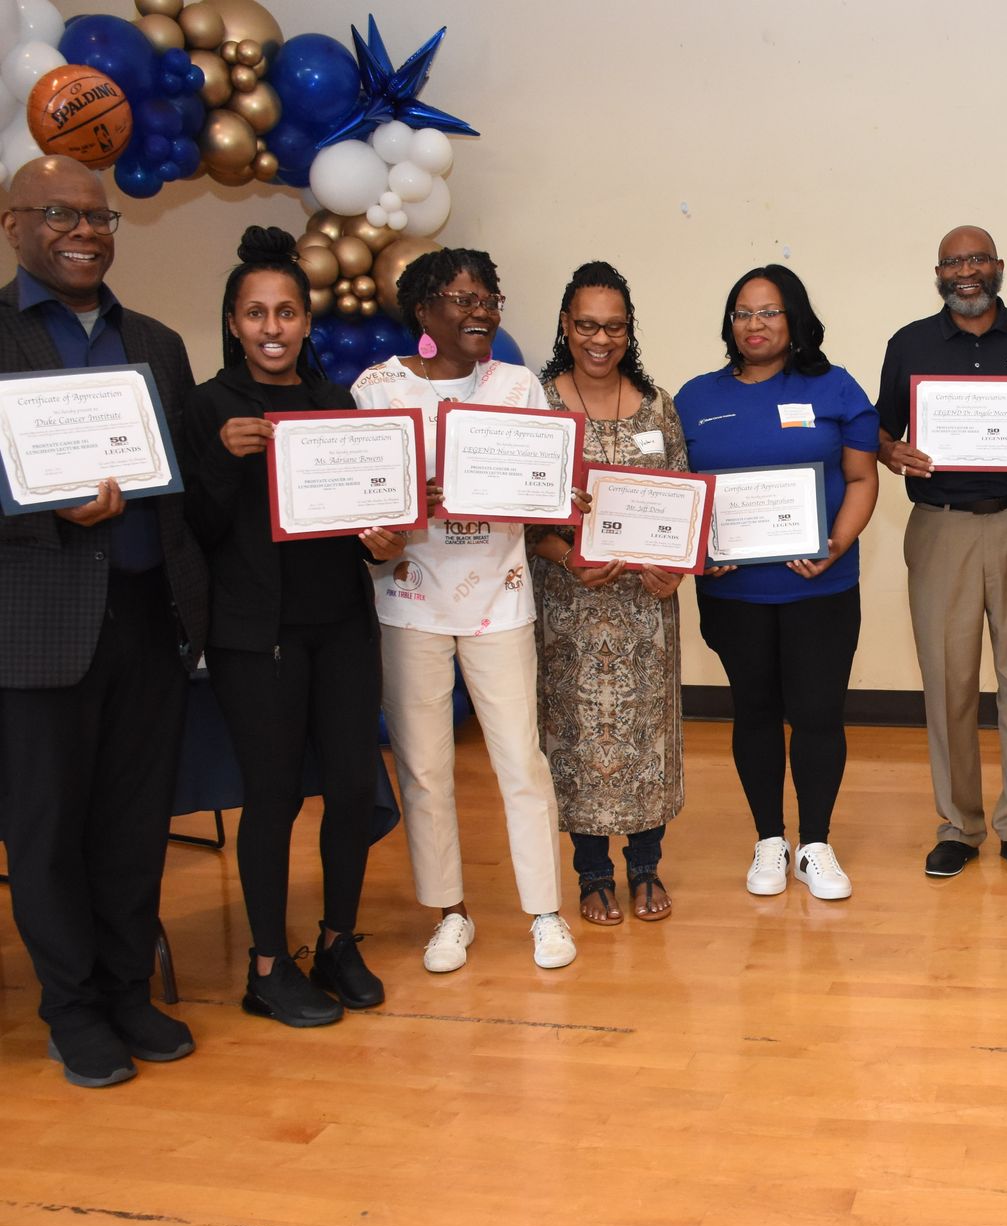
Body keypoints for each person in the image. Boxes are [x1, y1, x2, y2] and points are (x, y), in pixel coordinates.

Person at [0, 156, 208, 1087]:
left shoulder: (156, 343)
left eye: (100, 216)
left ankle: (130, 990)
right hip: (37, 626)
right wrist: (46, 507)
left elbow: (185, 490)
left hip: (147, 618)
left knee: (133, 822)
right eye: (59, 214)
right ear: (13, 226)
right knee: (47, 829)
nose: (85, 232)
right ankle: (72, 1008)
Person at [182, 226, 401, 1026]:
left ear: (307, 322)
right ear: (234, 323)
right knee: (272, 799)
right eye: (255, 314)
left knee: (349, 790)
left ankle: (338, 940)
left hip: (342, 625)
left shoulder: (333, 403)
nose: (272, 328)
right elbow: (194, 532)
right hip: (255, 639)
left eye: (286, 312)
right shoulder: (208, 407)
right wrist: (217, 460)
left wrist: (380, 541)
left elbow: (358, 521)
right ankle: (267, 968)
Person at [353, 248, 576, 972]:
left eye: (489, 297)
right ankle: (449, 912)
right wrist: (389, 521)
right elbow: (364, 501)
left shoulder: (517, 387)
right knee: (423, 767)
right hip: (409, 598)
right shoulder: (378, 391)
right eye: (461, 298)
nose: (481, 310)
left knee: (521, 759)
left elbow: (544, 489)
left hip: (499, 595)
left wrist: (561, 499)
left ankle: (545, 912)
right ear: (423, 311)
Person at [876, 226, 1007, 880]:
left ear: (998, 266)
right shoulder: (908, 344)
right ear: (939, 272)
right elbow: (881, 429)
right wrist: (889, 450)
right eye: (954, 261)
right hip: (941, 527)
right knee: (948, 682)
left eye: (978, 259)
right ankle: (958, 826)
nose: (967, 271)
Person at [675, 265, 879, 900]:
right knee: (754, 712)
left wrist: (836, 542)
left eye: (768, 312)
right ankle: (769, 838)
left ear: (793, 320)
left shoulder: (836, 387)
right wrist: (698, 549)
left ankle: (815, 843)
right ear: (729, 323)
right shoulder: (694, 399)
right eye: (742, 312)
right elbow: (677, 494)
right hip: (735, 594)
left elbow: (865, 478)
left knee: (818, 714)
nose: (754, 324)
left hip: (821, 587)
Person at [527, 262, 688, 925]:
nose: (601, 339)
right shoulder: (537, 404)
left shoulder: (657, 404)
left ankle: (646, 866)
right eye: (588, 324)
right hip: (570, 607)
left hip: (646, 609)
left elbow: (682, 493)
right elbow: (522, 509)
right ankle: (592, 874)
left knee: (647, 734)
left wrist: (673, 567)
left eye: (615, 326)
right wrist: (564, 555)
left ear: (629, 330)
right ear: (566, 325)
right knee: (577, 738)